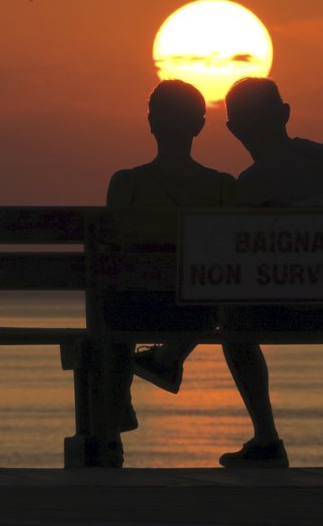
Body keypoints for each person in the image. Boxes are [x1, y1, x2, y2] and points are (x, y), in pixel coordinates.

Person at [218, 77, 323, 468]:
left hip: (289, 310)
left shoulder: (252, 184)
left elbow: (233, 263)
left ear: (234, 130)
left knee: (230, 318)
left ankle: (267, 439)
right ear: (285, 114)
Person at [102, 80, 235, 466]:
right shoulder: (224, 186)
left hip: (130, 310)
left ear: (151, 123)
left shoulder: (125, 183)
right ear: (199, 125)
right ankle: (170, 356)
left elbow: (110, 261)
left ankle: (110, 430)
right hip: (196, 314)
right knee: (212, 288)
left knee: (110, 308)